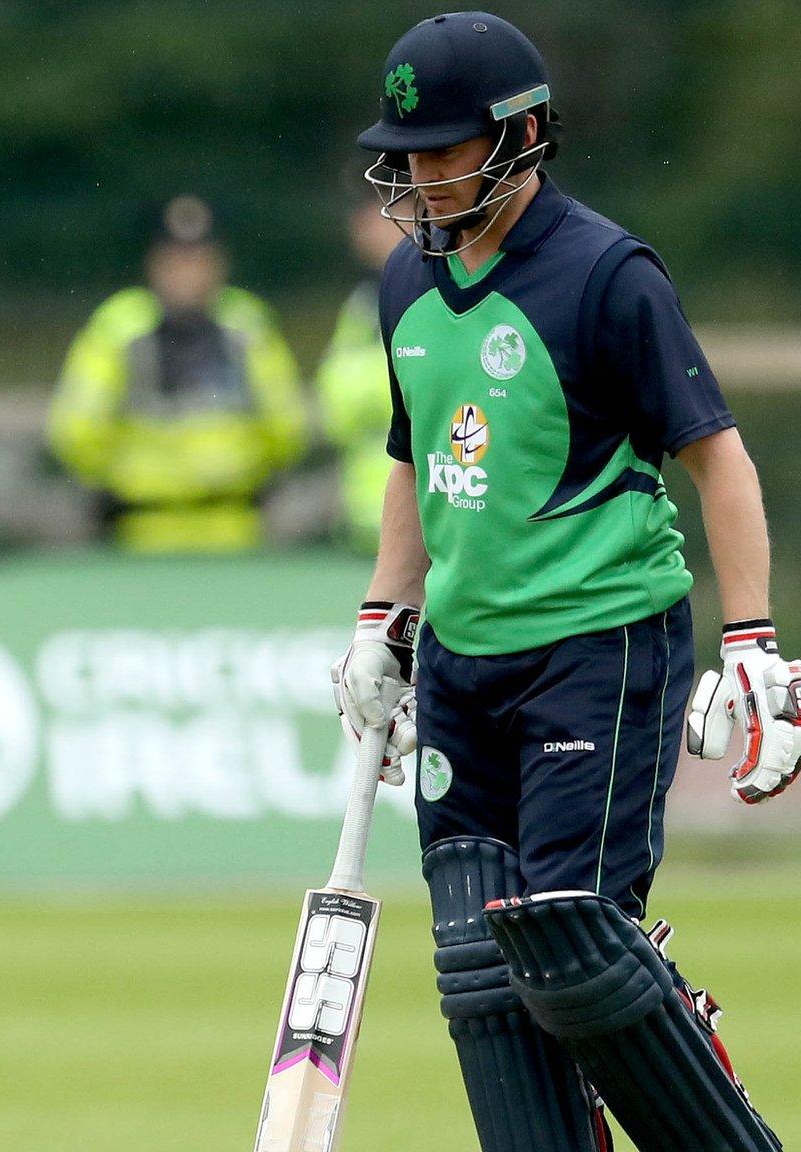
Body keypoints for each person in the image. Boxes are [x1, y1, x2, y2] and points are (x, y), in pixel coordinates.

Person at [333, 13, 790, 1150]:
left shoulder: (605, 275)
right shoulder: (403, 283)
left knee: (567, 941)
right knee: (480, 969)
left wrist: (749, 640)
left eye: (445, 150)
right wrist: (383, 624)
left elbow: (715, 455)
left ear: (523, 134)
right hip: (461, 660)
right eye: (407, 152)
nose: (420, 177)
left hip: (597, 648)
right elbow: (412, 456)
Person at [47, 195, 305, 551]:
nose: (188, 274)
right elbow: (76, 430)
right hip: (142, 528)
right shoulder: (121, 328)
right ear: (153, 265)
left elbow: (288, 426)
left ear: (220, 264)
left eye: (198, 261)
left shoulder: (247, 325)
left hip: (235, 527)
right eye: (177, 261)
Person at [315, 199, 406, 552]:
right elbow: (333, 408)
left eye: (385, 212)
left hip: (433, 524)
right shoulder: (363, 302)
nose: (367, 226)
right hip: (364, 522)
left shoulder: (444, 288)